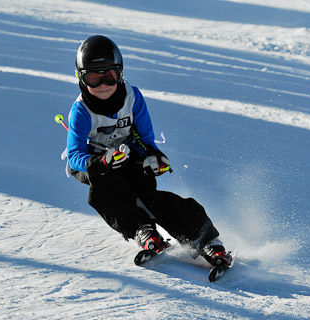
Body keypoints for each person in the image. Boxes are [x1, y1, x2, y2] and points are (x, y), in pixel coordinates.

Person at [66, 35, 232, 267]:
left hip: (128, 155)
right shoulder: (81, 111)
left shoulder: (132, 97)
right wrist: (102, 162)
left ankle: (204, 239)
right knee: (102, 193)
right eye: (94, 78)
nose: (103, 85)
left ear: (120, 73)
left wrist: (153, 156)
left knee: (150, 197)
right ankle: (141, 229)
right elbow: (74, 156)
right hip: (95, 164)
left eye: (109, 76)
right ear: (81, 79)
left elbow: (145, 138)